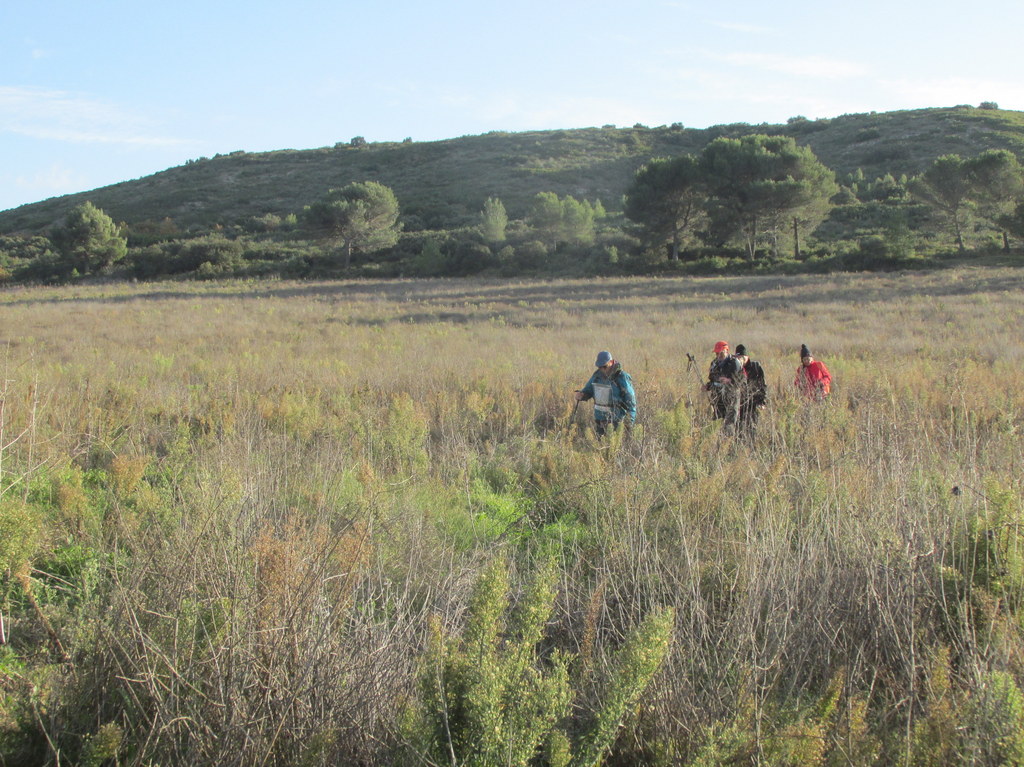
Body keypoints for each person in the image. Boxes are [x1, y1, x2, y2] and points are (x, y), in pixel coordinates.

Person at [575, 350, 637, 436]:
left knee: (615, 447)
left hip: (617, 422)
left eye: (604, 366)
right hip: (600, 421)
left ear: (611, 362)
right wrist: (581, 395)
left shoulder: (622, 377)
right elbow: (588, 390)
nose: (602, 369)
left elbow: (631, 403)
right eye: (600, 367)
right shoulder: (596, 376)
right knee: (600, 447)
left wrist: (629, 423)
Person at [705, 341, 743, 424]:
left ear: (726, 351)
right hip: (717, 398)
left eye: (720, 353)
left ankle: (729, 437)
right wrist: (707, 386)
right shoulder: (714, 363)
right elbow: (712, 380)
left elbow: (741, 381)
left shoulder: (734, 363)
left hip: (731, 398)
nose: (718, 355)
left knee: (729, 424)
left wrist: (730, 381)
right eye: (716, 353)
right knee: (717, 423)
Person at [733, 344, 767, 433]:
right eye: (738, 357)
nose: (741, 360)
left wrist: (762, 402)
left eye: (742, 357)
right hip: (739, 403)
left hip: (754, 403)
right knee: (738, 430)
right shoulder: (734, 368)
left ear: (747, 357)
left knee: (752, 428)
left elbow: (762, 386)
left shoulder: (755, 367)